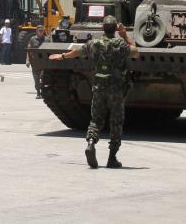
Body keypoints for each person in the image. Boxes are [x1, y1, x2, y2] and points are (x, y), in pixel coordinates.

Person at [49, 15, 139, 169]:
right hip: (116, 89)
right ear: (115, 29)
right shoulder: (120, 44)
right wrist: (124, 35)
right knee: (116, 122)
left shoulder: (94, 44)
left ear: (103, 28)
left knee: (96, 119)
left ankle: (91, 143)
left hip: (99, 87)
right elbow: (136, 52)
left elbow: (78, 51)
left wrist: (62, 56)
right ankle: (112, 158)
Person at [26, 28, 46, 99]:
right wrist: (27, 60)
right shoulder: (32, 39)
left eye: (42, 30)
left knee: (44, 77)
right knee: (36, 78)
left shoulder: (47, 39)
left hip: (44, 62)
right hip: (35, 61)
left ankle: (43, 90)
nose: (41, 32)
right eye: (39, 30)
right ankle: (38, 92)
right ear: (36, 31)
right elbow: (29, 50)